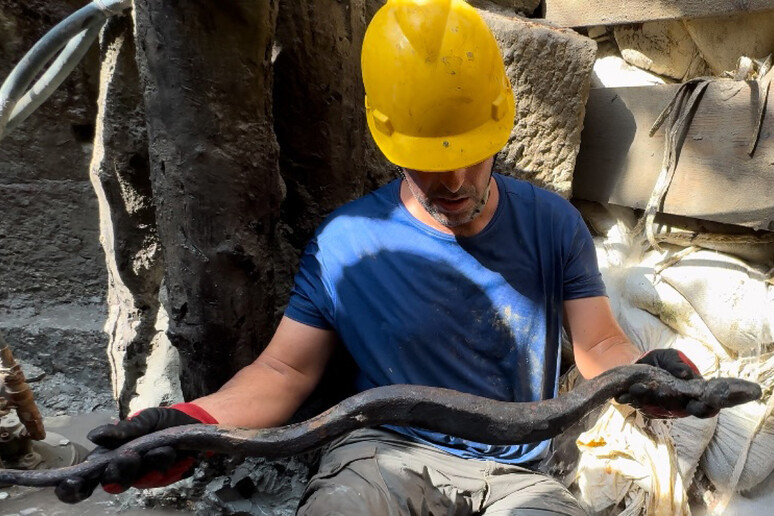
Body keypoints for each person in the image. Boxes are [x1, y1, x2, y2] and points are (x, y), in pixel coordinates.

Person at [55, 0, 713, 512]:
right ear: (391, 140)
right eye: (429, 164)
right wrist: (192, 427)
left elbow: (598, 346)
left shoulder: (551, 224)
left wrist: (646, 374)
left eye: (466, 156)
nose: (452, 183)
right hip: (380, 458)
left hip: (519, 471)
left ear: (498, 123)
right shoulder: (347, 244)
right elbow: (283, 372)